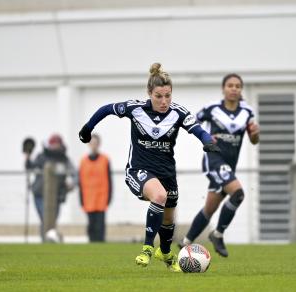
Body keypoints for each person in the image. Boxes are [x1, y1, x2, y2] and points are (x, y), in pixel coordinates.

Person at [78, 63, 220, 272]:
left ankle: (164, 251)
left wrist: (207, 142)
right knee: (160, 196)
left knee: (169, 217)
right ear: (149, 93)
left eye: (168, 96)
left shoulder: (178, 113)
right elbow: (107, 109)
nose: (164, 101)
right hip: (139, 170)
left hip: (167, 172)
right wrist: (87, 129)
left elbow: (198, 130)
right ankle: (146, 249)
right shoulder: (135, 109)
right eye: (159, 96)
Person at [179, 73, 260, 257]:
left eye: (237, 86)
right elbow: (191, 122)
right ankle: (217, 234)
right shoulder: (212, 108)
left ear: (241, 90)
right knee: (238, 194)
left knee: (210, 208)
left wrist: (256, 134)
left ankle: (185, 243)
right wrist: (206, 137)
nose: (234, 89)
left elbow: (254, 140)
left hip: (229, 167)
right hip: (213, 160)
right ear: (223, 88)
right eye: (230, 85)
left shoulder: (247, 112)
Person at [25, 134, 77, 241]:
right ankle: (46, 240)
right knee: (45, 218)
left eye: (57, 144)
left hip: (56, 195)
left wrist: (72, 184)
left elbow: (75, 173)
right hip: (39, 194)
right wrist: (27, 156)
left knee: (52, 220)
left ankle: (48, 240)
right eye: (54, 144)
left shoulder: (64, 159)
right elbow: (30, 167)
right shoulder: (42, 157)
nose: (55, 146)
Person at [79, 134, 112, 242]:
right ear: (89, 144)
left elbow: (110, 180)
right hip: (88, 200)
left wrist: (109, 198)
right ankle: (91, 246)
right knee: (91, 227)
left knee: (100, 227)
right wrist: (81, 200)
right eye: (92, 143)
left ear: (99, 144)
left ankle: (101, 247)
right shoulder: (83, 161)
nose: (93, 145)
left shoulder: (105, 160)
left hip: (101, 199)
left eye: (95, 143)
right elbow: (80, 182)